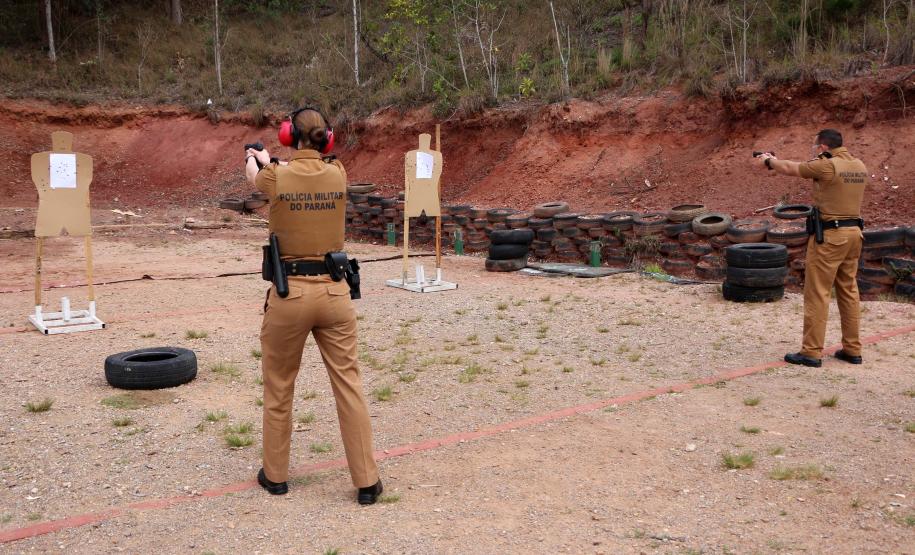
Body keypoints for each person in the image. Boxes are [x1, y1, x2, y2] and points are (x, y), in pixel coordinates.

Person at [244, 107, 383, 504]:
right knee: (349, 386)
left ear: (288, 136)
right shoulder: (338, 173)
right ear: (328, 138)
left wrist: (258, 160)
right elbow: (308, 174)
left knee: (279, 387)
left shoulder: (276, 176)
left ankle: (275, 475)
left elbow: (258, 179)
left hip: (289, 296)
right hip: (335, 292)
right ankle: (367, 481)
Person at [755, 129, 868, 368]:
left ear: (824, 147)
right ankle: (853, 349)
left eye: (818, 147)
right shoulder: (859, 165)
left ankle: (811, 352)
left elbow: (792, 168)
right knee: (848, 292)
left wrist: (768, 160)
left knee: (818, 293)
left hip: (830, 237)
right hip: (854, 235)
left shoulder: (827, 165)